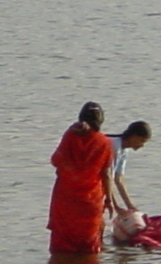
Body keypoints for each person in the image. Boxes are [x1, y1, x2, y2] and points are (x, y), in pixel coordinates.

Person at [47, 101, 114, 254]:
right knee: (89, 247)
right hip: (91, 200)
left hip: (66, 198)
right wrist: (109, 200)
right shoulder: (104, 142)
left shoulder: (70, 136)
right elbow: (106, 174)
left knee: (62, 246)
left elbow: (55, 161)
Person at [107, 120, 151, 217]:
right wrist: (115, 206)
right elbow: (106, 178)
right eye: (141, 141)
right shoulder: (113, 146)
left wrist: (130, 206)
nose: (142, 145)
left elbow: (118, 179)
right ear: (133, 136)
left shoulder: (124, 150)